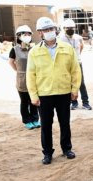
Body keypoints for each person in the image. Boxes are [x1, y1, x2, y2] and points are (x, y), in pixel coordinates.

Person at [27, 17, 81, 165]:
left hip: (63, 92)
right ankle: (47, 153)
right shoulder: (34, 52)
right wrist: (33, 95)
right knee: (46, 125)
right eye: (46, 30)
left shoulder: (67, 48)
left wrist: (75, 88)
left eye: (51, 29)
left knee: (65, 123)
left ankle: (66, 148)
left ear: (55, 30)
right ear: (40, 33)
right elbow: (30, 75)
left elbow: (75, 70)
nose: (49, 32)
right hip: (44, 94)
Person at [9, 25, 40, 130]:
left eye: (28, 34)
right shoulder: (14, 49)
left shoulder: (34, 48)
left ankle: (35, 119)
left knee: (34, 99)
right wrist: (19, 71)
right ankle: (27, 120)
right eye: (24, 34)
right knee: (24, 101)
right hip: (22, 79)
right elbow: (11, 62)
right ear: (19, 36)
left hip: (34, 78)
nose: (27, 36)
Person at [59, 18, 92, 110]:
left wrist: (77, 57)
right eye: (68, 28)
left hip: (78, 63)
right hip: (66, 64)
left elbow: (81, 47)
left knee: (81, 83)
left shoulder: (78, 37)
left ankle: (85, 102)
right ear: (64, 28)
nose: (70, 29)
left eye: (72, 27)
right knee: (70, 83)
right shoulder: (60, 39)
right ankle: (74, 103)